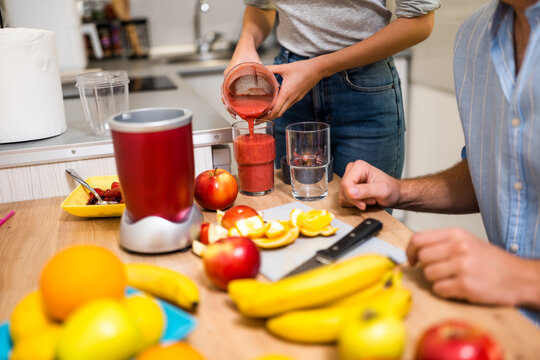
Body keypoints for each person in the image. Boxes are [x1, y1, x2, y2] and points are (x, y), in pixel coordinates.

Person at [339, 0, 540, 324]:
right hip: (502, 325)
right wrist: (400, 191)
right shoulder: (474, 37)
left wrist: (524, 279)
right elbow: (495, 174)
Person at [225, 0, 440, 178]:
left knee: (363, 219)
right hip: (290, 88)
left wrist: (319, 68)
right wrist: (246, 43)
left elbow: (420, 22)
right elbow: (261, 5)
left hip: (364, 90)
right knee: (292, 216)